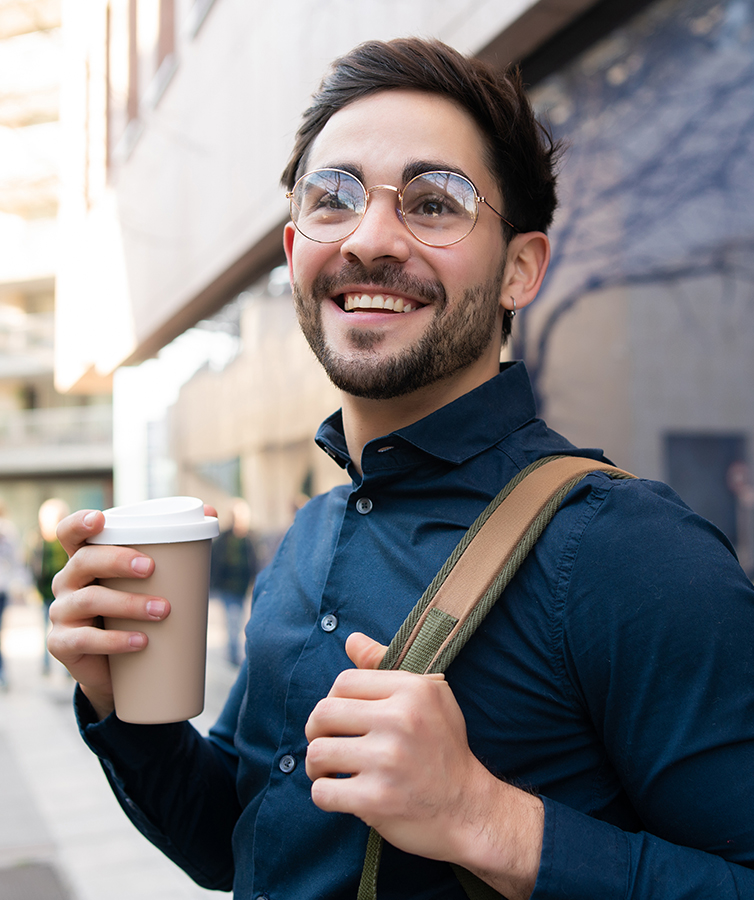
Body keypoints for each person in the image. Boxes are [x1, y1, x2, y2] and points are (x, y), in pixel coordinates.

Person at [47, 38, 754, 900]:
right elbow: (240, 847)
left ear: (520, 269)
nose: (371, 239)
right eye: (332, 198)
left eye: (434, 202)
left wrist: (490, 821)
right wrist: (120, 705)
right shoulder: (310, 535)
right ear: (294, 246)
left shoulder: (634, 554)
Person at [210, 498, 258, 665]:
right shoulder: (224, 538)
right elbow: (214, 560)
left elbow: (255, 563)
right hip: (227, 587)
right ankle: (233, 654)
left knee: (239, 620)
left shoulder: (249, 538)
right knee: (233, 619)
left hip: (242, 588)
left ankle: (235, 651)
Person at [32, 498, 70, 674]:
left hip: (62, 593)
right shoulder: (39, 542)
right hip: (47, 593)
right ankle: (47, 664)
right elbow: (34, 567)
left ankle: (66, 667)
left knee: (66, 629)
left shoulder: (64, 542)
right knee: (46, 631)